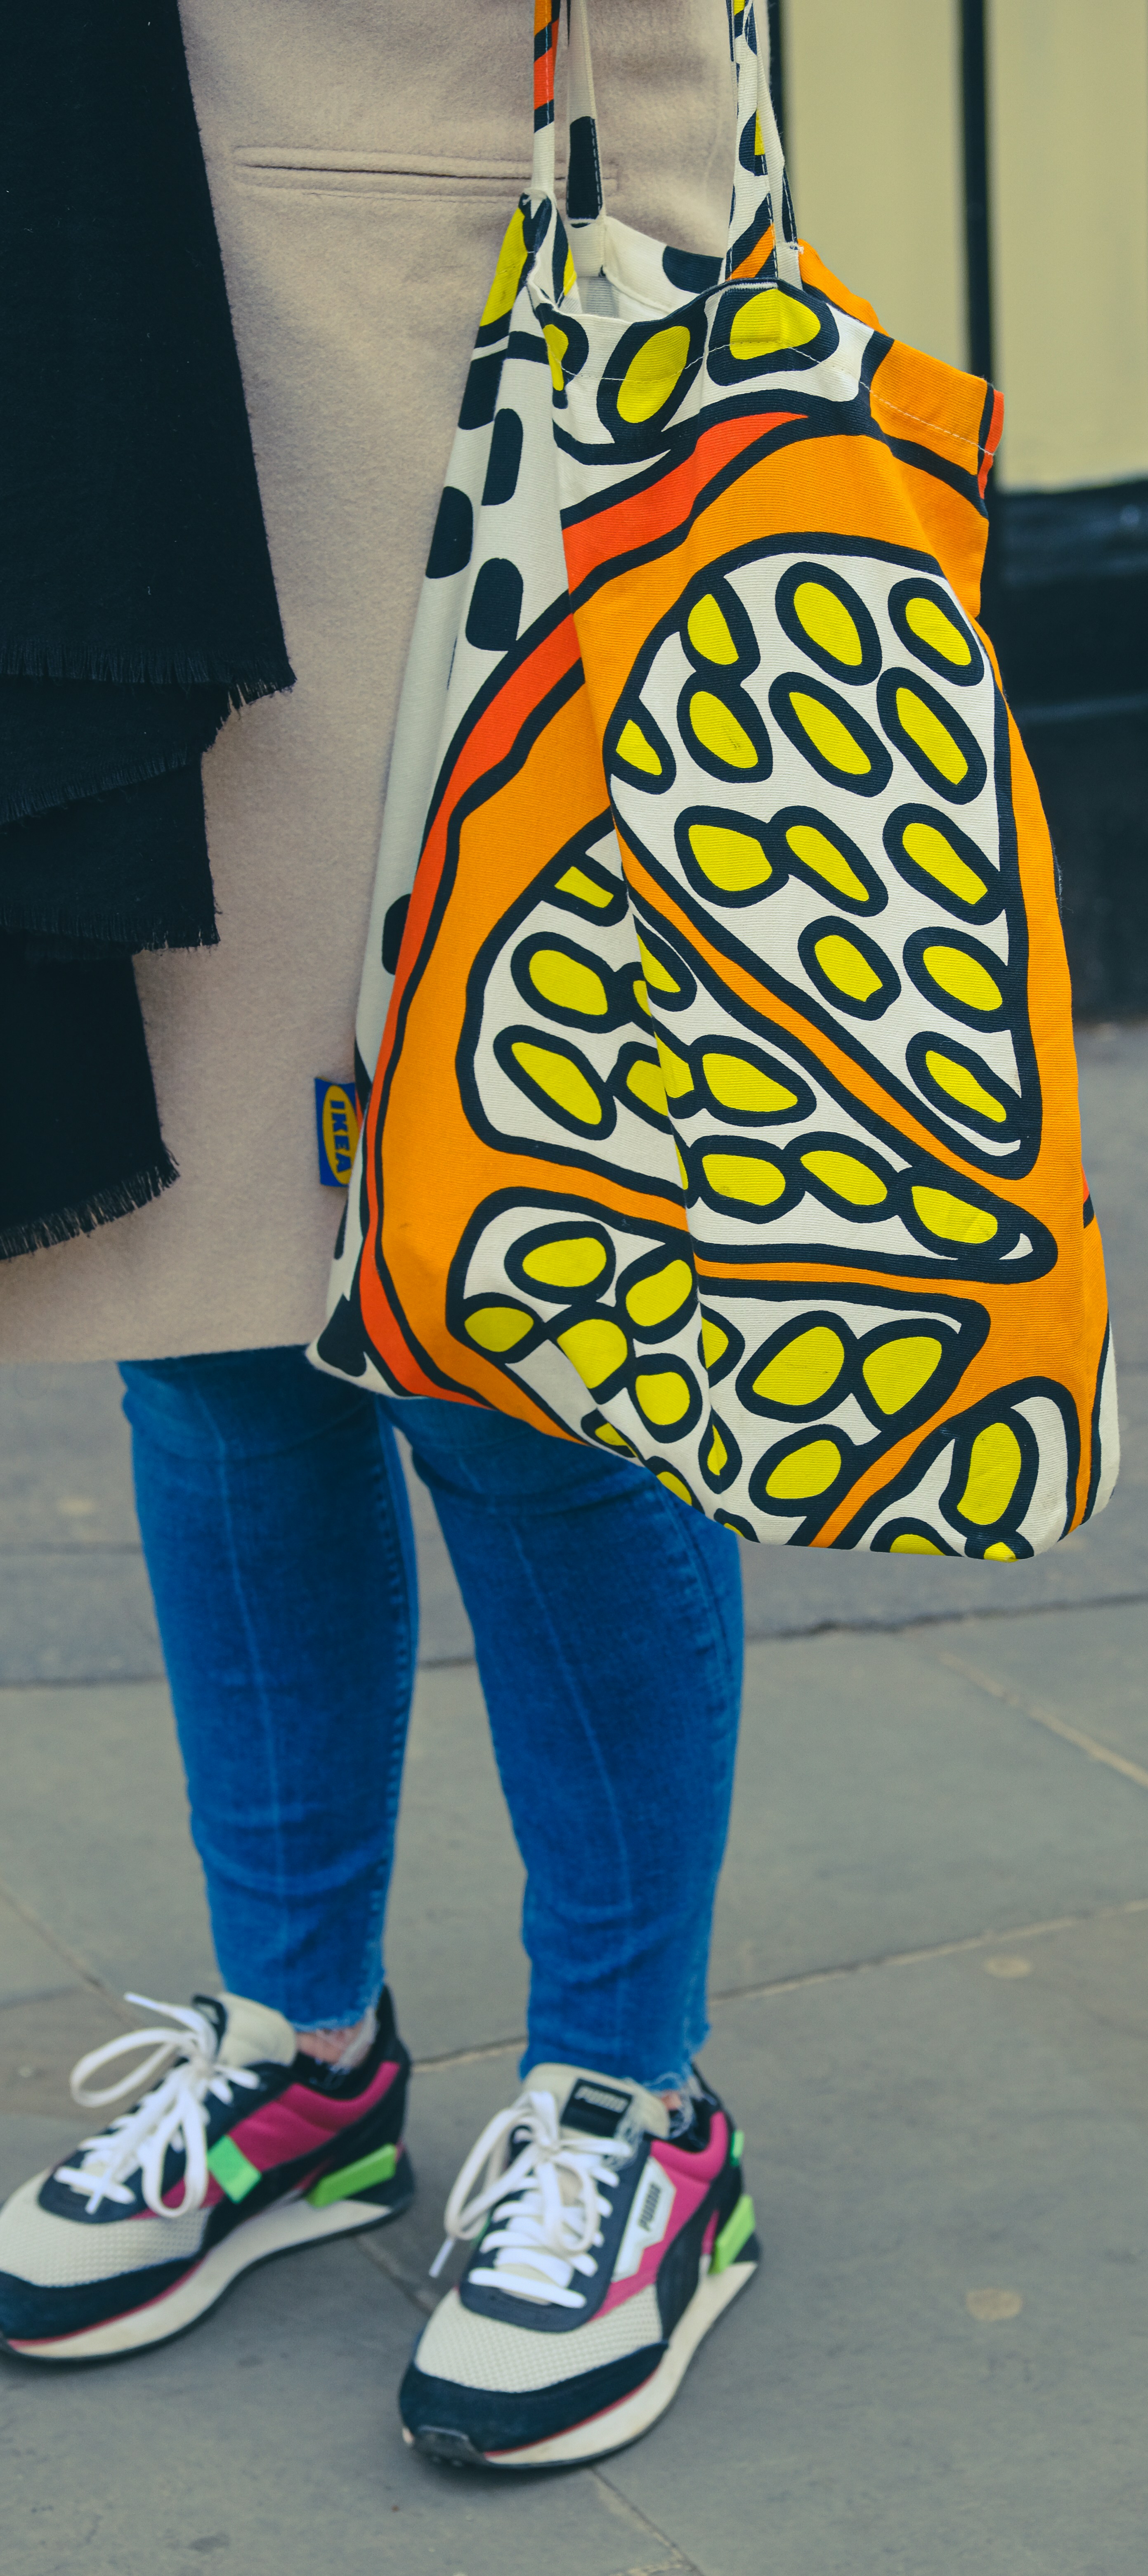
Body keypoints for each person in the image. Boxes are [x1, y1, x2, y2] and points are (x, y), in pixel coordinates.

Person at [0, 0, 761, 2469]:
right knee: (200, 1305)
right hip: (71, 364)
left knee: (502, 1324)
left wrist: (667, 303)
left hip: (418, 380)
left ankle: (638, 2098)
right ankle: (298, 2061)